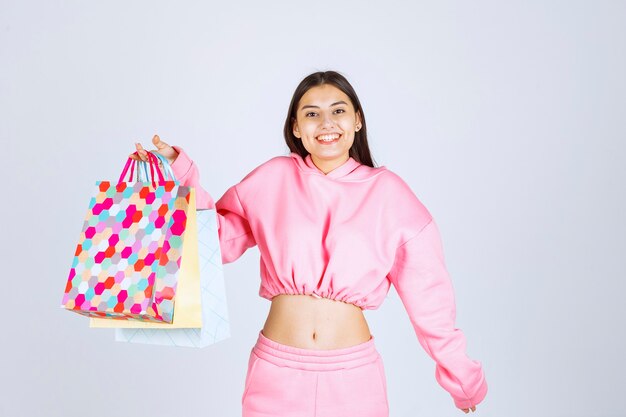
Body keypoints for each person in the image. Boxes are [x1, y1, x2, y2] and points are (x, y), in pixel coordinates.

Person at [130, 70, 487, 416]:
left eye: (339, 111)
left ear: (357, 121)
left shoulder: (391, 194)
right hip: (275, 374)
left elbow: (431, 301)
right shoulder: (273, 177)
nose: (327, 122)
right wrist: (179, 172)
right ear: (297, 127)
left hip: (353, 379)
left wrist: (463, 380)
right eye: (312, 114)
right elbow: (215, 241)